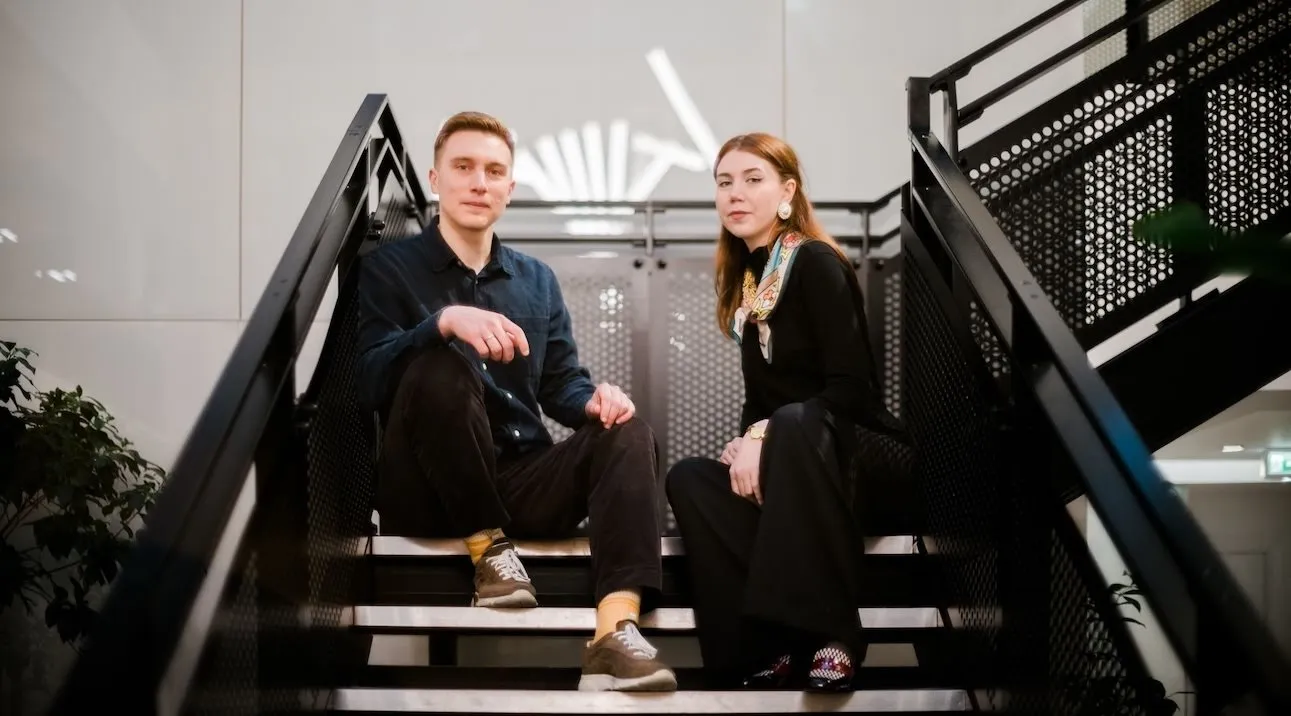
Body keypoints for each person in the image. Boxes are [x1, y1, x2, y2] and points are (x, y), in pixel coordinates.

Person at [355, 111, 676, 693]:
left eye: (494, 170)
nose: (479, 182)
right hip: (432, 492)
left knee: (631, 432)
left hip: (521, 478)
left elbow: (561, 386)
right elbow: (367, 381)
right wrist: (443, 322)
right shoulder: (386, 270)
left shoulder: (536, 279)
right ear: (434, 178)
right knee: (439, 359)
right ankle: (488, 552)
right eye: (464, 167)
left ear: (510, 186)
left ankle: (615, 631)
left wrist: (596, 401)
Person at [665, 133, 914, 692]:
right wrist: (746, 441)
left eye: (753, 179)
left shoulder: (816, 262)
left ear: (787, 191)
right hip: (798, 456)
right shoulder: (750, 283)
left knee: (798, 424)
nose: (735, 193)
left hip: (860, 458)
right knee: (691, 480)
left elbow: (851, 389)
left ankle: (832, 636)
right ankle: (766, 649)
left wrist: (768, 432)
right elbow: (763, 403)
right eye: (724, 182)